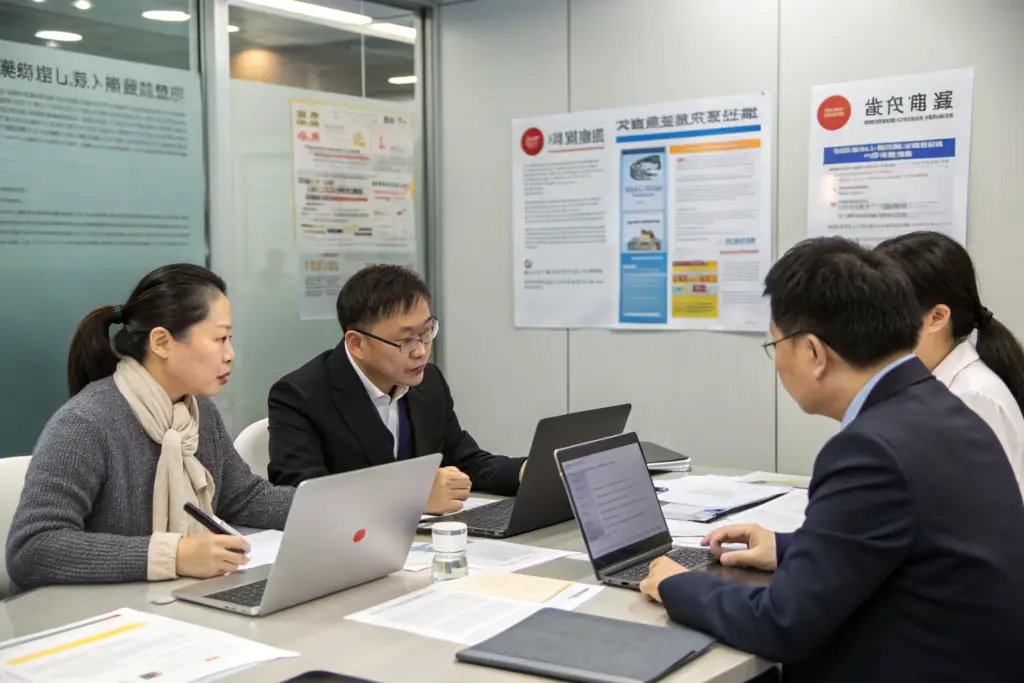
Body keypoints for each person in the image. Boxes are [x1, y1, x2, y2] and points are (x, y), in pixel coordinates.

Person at [638, 238, 1024, 683]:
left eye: (775, 345)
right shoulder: (942, 407)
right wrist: (786, 548)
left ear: (814, 353)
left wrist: (676, 583)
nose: (776, 363)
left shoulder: (871, 450)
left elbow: (780, 624)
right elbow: (910, 544)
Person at [6, 265, 295, 593]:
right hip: (91, 612)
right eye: (219, 339)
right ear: (161, 342)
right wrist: (173, 555)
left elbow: (243, 496)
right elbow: (32, 549)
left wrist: (324, 509)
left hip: (165, 599)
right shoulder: (86, 423)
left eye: (230, 339)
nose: (230, 354)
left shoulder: (198, 411)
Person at [267, 264, 524, 515]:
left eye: (426, 332)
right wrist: (411, 498)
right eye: (406, 340)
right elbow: (303, 497)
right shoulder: (299, 396)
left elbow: (462, 461)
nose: (421, 351)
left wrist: (526, 471)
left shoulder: (429, 382)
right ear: (356, 344)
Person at [876, 231, 1024, 494]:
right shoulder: (931, 381)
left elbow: (981, 509)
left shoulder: (971, 398)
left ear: (937, 317)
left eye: (886, 312)